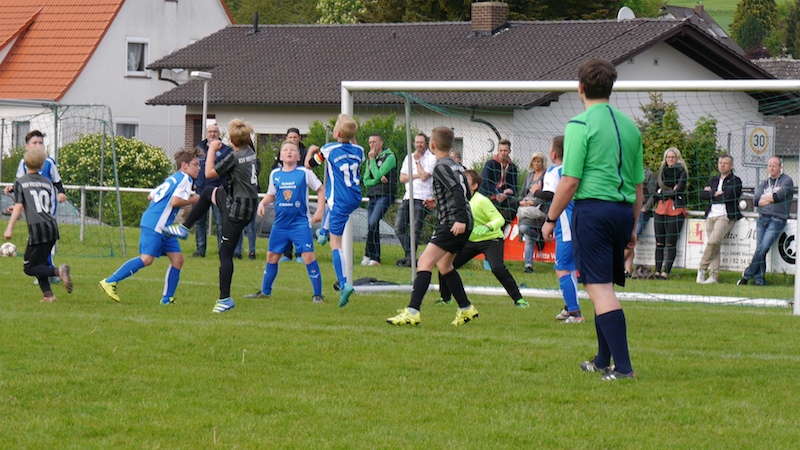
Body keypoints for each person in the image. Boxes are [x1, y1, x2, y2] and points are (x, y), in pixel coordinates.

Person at [542, 58, 642, 381]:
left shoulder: (579, 125)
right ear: (610, 87)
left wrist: (550, 218)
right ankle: (602, 359)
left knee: (599, 289)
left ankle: (623, 368)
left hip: (594, 213)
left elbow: (570, 180)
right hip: (622, 212)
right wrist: (633, 226)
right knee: (604, 286)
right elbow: (638, 186)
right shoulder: (630, 127)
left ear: (581, 87)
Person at [164, 119, 260, 313]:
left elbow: (208, 173)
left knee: (225, 254)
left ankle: (225, 299)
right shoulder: (252, 154)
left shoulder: (234, 157)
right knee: (209, 192)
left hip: (237, 210)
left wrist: (212, 150)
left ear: (231, 140)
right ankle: (184, 228)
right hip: (247, 205)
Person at [387, 127, 478, 326]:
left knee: (424, 262)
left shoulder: (440, 167)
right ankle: (466, 308)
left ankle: (412, 311)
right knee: (444, 266)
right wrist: (439, 203)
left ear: (432, 145)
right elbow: (465, 193)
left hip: (453, 223)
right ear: (452, 145)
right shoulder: (457, 166)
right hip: (463, 221)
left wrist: (459, 219)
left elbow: (457, 190)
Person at [99, 147, 202, 304]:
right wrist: (195, 199)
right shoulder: (185, 179)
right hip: (156, 224)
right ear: (184, 165)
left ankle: (167, 299)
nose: (198, 168)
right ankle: (109, 281)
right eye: (195, 164)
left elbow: (150, 196)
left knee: (177, 259)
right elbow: (175, 201)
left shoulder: (173, 178)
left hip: (163, 226)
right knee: (147, 259)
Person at [435, 169, 529, 308]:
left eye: (465, 180)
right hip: (469, 241)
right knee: (445, 264)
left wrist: (487, 226)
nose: (461, 182)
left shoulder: (481, 200)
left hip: (491, 239)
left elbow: (499, 219)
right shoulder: (456, 200)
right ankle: (445, 298)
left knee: (497, 268)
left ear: (474, 186)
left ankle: (519, 299)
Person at [245, 140, 325, 302]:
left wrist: (319, 210)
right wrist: (262, 203)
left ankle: (318, 294)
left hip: (300, 224)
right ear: (280, 156)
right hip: (280, 224)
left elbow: (321, 189)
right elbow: (271, 194)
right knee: (271, 257)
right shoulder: (275, 174)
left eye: (293, 150)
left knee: (308, 256)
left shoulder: (304, 172)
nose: (289, 152)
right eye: (285, 150)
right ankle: (265, 292)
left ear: (298, 156)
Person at [306, 114, 365, 307]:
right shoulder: (360, 151)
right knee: (333, 206)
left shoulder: (328, 149)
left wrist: (311, 151)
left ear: (337, 133)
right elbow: (353, 145)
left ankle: (344, 283)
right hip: (355, 196)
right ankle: (323, 231)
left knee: (336, 244)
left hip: (340, 199)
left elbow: (310, 164)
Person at [4, 147, 72, 302]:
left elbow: (20, 205)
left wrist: (9, 228)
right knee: (41, 262)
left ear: (24, 164)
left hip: (37, 228)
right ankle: (48, 295)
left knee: (29, 267)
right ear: (42, 166)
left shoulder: (20, 182)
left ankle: (58, 271)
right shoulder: (47, 182)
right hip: (51, 226)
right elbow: (40, 205)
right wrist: (21, 207)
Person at [535, 136, 582, 323]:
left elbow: (550, 195)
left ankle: (575, 314)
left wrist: (535, 192)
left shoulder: (554, 171)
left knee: (562, 268)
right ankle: (569, 307)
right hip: (580, 222)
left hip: (566, 225)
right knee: (570, 268)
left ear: (553, 154)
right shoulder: (576, 170)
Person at [738, 156, 794, 286]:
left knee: (763, 247)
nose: (771, 168)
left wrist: (767, 198)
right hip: (762, 218)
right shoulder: (764, 183)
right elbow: (756, 201)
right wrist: (770, 198)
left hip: (777, 219)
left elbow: (779, 196)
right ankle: (759, 279)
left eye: (774, 165)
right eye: (769, 165)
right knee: (760, 249)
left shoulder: (786, 181)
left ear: (780, 167)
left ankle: (746, 275)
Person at [697, 155, 743, 284]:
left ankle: (702, 268)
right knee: (715, 246)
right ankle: (713, 276)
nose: (722, 165)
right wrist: (714, 193)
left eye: (725, 163)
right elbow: (702, 194)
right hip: (711, 214)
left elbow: (729, 196)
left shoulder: (736, 180)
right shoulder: (713, 180)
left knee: (713, 241)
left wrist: (711, 194)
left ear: (731, 166)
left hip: (725, 215)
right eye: (720, 162)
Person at [394, 133, 436, 267]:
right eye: (417, 142)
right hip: (408, 196)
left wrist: (417, 162)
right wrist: (418, 174)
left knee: (415, 230)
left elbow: (425, 177)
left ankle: (410, 259)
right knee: (398, 227)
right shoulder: (409, 157)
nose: (419, 145)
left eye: (421, 142)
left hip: (422, 198)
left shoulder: (432, 158)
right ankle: (410, 256)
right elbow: (402, 178)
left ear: (426, 143)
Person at [192, 124, 233, 258]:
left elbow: (228, 170)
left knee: (220, 222)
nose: (212, 134)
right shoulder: (199, 148)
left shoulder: (226, 150)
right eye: (210, 131)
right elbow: (193, 166)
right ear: (206, 133)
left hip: (217, 190)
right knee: (199, 221)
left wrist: (224, 186)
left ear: (219, 134)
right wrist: (193, 183)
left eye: (215, 132)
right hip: (201, 190)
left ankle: (222, 251)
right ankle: (200, 250)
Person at [361, 133, 397, 266]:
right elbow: (366, 181)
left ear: (381, 143)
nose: (371, 145)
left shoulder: (389, 157)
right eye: (370, 142)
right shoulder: (370, 159)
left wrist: (373, 163)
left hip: (385, 195)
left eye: (374, 142)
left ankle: (372, 256)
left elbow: (377, 174)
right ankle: (372, 256)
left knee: (373, 222)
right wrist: (377, 180)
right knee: (372, 225)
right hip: (372, 195)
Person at [653, 147, 688, 280]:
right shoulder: (661, 171)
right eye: (668, 157)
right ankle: (657, 271)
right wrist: (668, 192)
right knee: (659, 243)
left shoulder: (682, 172)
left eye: (673, 157)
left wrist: (663, 192)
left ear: (677, 158)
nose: (670, 159)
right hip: (660, 209)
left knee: (671, 243)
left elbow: (678, 191)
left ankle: (665, 272)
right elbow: (654, 192)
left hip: (676, 209)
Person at [277, 127, 310, 263]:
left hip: (299, 196)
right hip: (284, 196)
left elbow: (308, 168)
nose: (293, 140)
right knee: (285, 224)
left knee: (299, 226)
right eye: (290, 138)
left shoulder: (304, 153)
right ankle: (286, 253)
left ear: (299, 138)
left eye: (295, 137)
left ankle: (300, 253)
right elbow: (276, 168)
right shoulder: (282, 152)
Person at [517, 151, 548, 273]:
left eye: (538, 161)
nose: (536, 163)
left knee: (523, 227)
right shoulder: (529, 176)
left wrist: (532, 202)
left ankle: (535, 236)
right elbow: (521, 194)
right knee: (528, 235)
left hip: (539, 208)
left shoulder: (546, 176)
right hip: (526, 207)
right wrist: (522, 202)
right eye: (534, 161)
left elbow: (547, 195)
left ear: (543, 162)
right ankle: (528, 265)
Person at [624, 165, 656, 277]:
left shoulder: (649, 174)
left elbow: (653, 194)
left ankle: (615, 264)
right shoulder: (626, 170)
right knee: (626, 239)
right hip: (626, 209)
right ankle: (627, 271)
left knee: (633, 237)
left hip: (641, 212)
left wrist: (646, 207)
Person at [479, 139, 519, 225]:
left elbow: (514, 186)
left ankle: (501, 225)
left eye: (505, 150)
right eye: (501, 150)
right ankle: (496, 224)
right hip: (490, 196)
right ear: (497, 151)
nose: (503, 153)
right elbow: (484, 183)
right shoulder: (490, 164)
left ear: (509, 151)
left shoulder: (512, 167)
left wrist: (507, 194)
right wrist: (499, 192)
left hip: (505, 197)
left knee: (516, 203)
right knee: (492, 208)